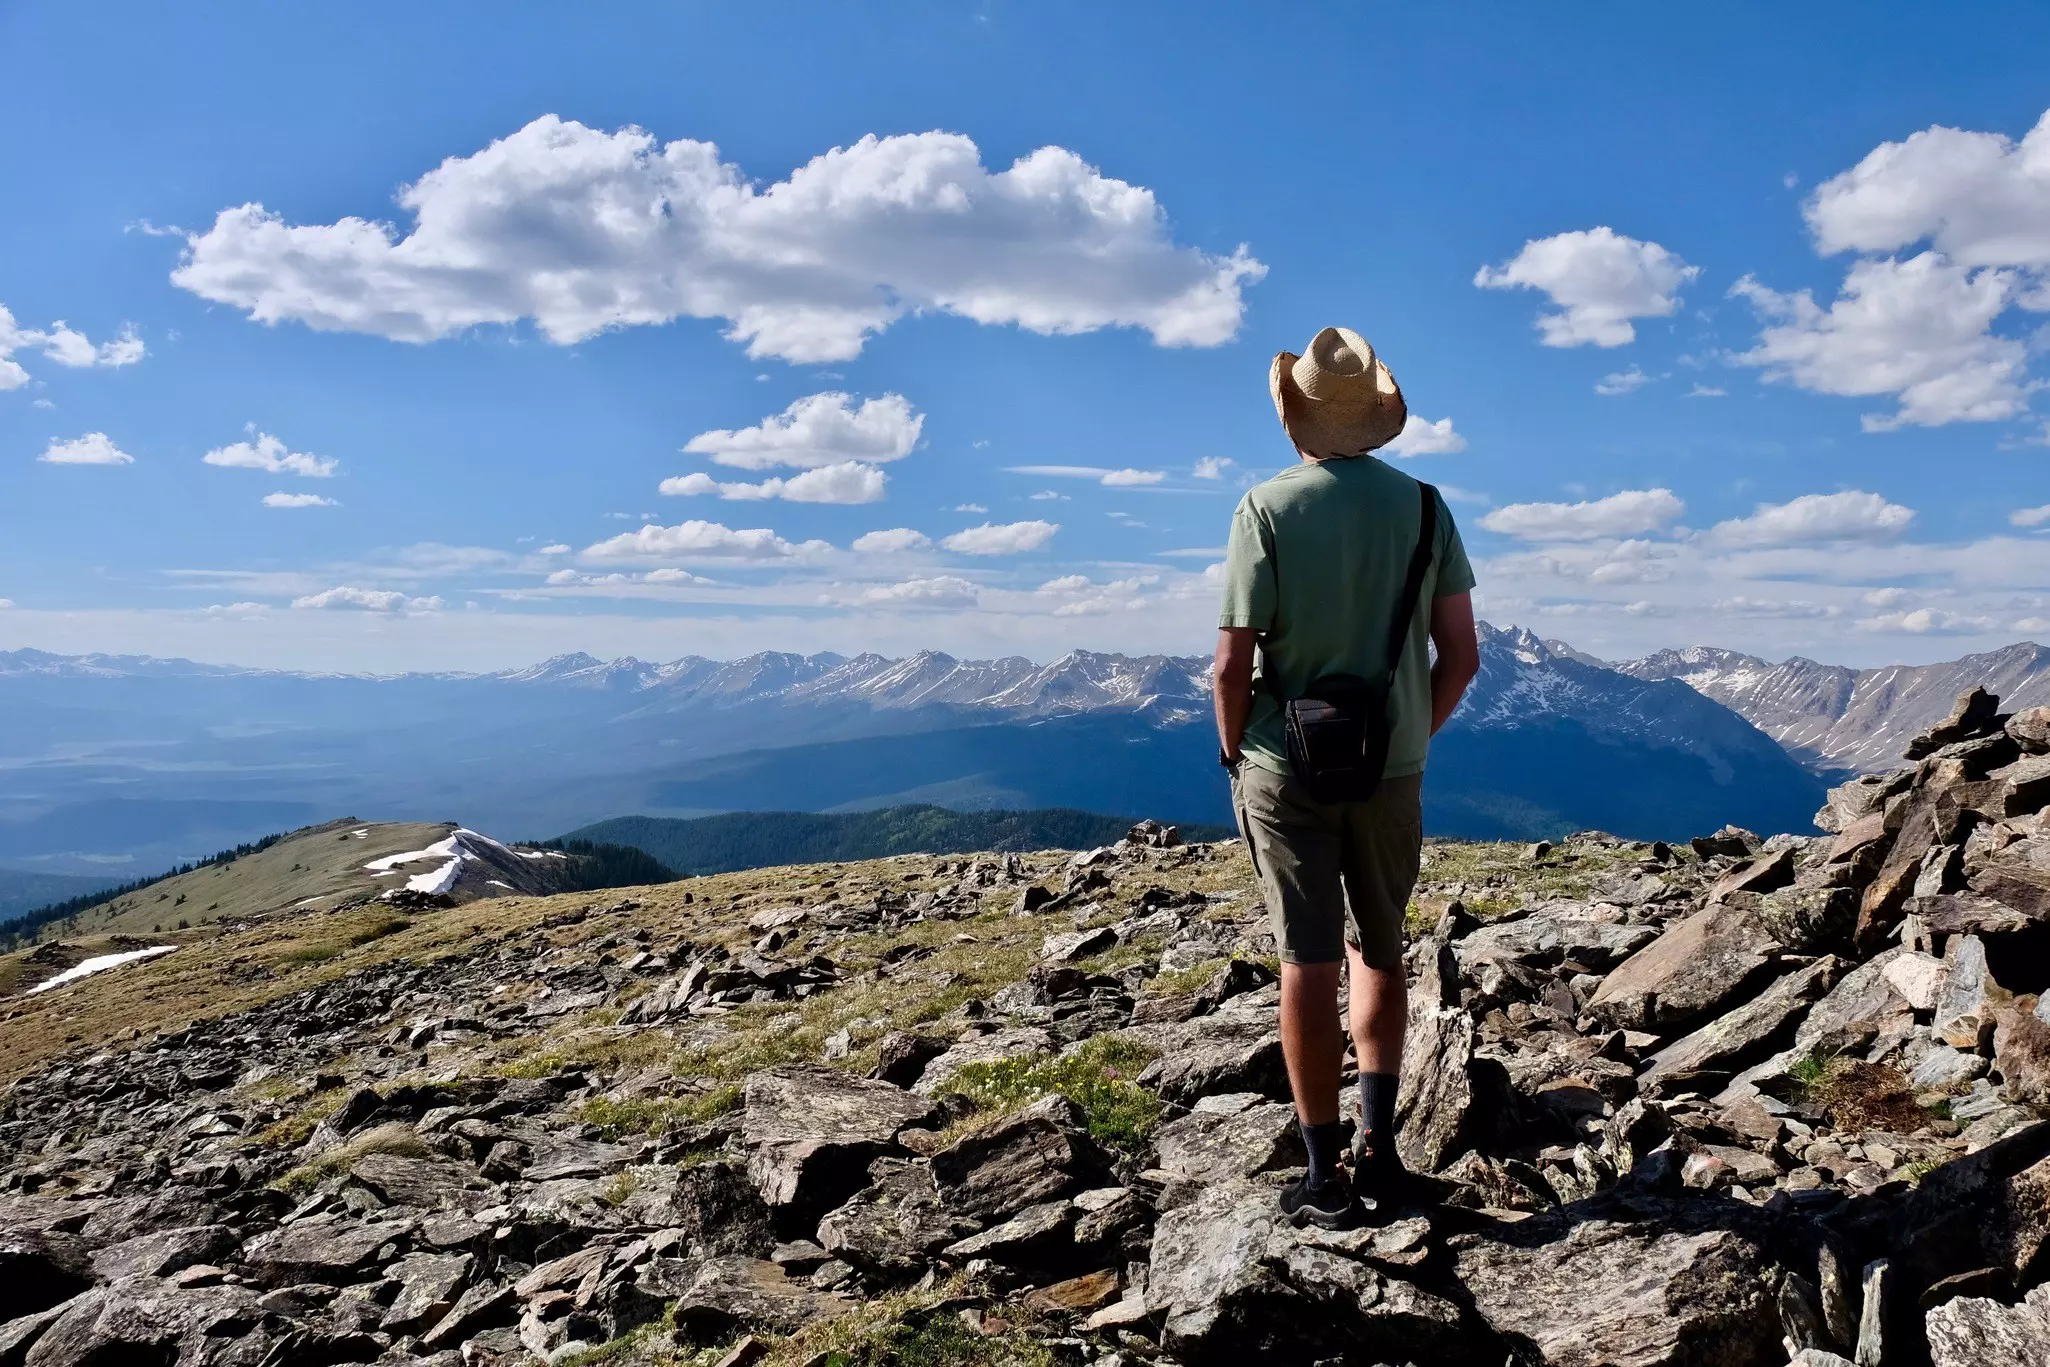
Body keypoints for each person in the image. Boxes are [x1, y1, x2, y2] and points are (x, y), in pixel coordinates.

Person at [1213, 326, 1480, 1229]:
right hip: (1391, 766)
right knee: (1380, 945)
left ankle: (1323, 1172)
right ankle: (1382, 1149)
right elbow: (1462, 654)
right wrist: (1409, 733)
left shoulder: (1265, 508)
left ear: (1295, 416)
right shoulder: (1427, 507)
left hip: (1284, 763)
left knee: (1305, 959)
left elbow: (1229, 662)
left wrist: (1232, 748)